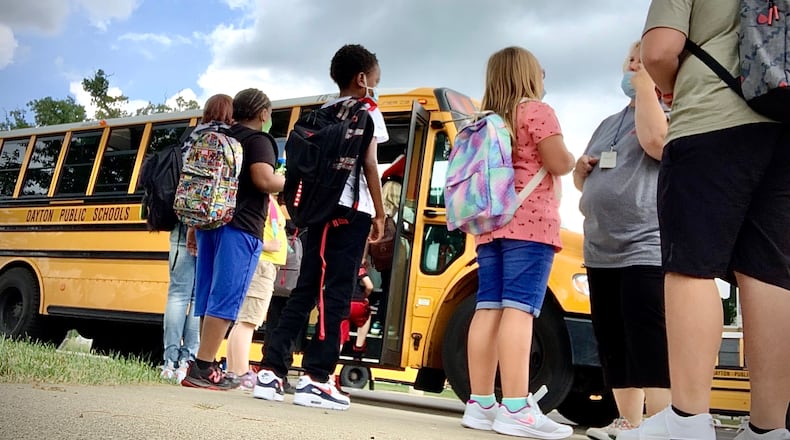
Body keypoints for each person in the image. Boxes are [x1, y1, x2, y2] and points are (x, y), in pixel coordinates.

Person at [623, 2, 790, 439]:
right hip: (783, 125)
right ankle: (769, 428)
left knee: (691, 265)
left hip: (711, 117)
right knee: (769, 274)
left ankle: (687, 419)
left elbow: (659, 50)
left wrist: (668, 90)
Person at [254, 43, 386, 411]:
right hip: (349, 211)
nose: (376, 85)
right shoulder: (367, 112)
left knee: (306, 289)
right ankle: (317, 377)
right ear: (362, 79)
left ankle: (271, 370)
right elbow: (371, 164)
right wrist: (379, 212)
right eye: (376, 79)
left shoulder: (319, 114)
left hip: (318, 211)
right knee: (337, 293)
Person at [460, 46, 575, 439]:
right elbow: (559, 162)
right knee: (520, 310)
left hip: (489, 226)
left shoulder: (485, 119)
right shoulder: (537, 112)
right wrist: (575, 158)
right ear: (528, 74)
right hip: (530, 226)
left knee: (488, 307)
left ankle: (480, 402)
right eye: (539, 69)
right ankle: (515, 406)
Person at [573, 41, 671, 440]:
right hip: (600, 247)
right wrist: (581, 171)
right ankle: (627, 421)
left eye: (643, 61)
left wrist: (648, 89)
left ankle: (662, 423)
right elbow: (582, 181)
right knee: (611, 338)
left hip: (644, 244)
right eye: (631, 59)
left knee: (646, 335)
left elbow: (657, 145)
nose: (634, 66)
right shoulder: (607, 122)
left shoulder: (666, 110)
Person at [182, 88, 284, 390]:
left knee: (209, 295)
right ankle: (202, 368)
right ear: (263, 114)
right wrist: (289, 180)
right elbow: (264, 180)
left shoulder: (220, 135)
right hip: (241, 227)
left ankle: (206, 363)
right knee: (226, 297)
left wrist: (193, 225)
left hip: (209, 223)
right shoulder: (259, 140)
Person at [160, 94, 232, 382]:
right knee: (197, 296)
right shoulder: (230, 139)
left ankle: (168, 361)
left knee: (177, 293)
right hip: (211, 222)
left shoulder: (191, 136)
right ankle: (189, 360)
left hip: (182, 220)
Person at [225, 193, 287, 390]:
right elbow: (250, 230)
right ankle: (243, 373)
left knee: (242, 321)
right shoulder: (263, 201)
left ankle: (234, 371)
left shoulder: (270, 201)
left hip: (263, 264)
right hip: (263, 264)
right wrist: (265, 245)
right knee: (248, 321)